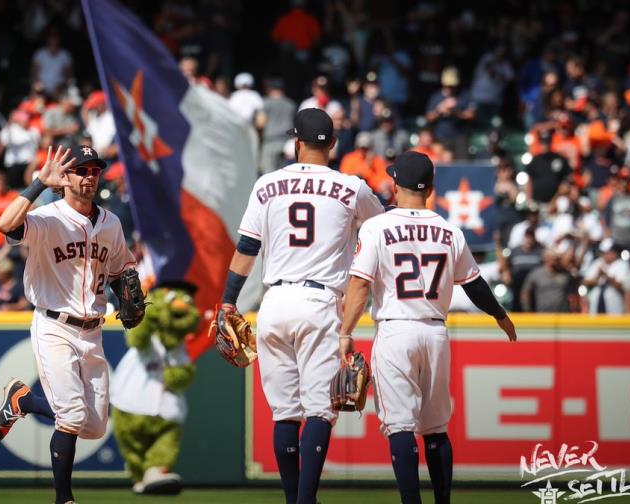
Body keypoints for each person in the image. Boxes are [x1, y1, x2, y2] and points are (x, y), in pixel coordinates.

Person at [218, 108, 383, 504]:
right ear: (333, 144)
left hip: (274, 302)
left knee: (285, 414)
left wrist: (227, 301)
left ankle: (294, 499)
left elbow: (247, 248)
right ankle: (306, 500)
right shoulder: (352, 187)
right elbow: (383, 231)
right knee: (320, 411)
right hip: (321, 302)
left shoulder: (267, 184)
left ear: (297, 143)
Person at [339, 151, 516, 504]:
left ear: (394, 185)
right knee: (436, 429)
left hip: (395, 329)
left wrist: (345, 333)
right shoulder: (450, 231)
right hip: (435, 332)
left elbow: (359, 285)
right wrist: (499, 314)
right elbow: (475, 284)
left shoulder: (377, 227)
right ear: (431, 189)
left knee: (400, 427)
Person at [0, 146, 142, 504]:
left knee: (94, 426)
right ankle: (64, 499)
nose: (89, 176)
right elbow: (5, 225)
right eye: (81, 170)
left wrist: (128, 292)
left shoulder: (111, 223)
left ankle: (23, 402)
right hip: (53, 325)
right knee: (71, 415)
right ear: (66, 178)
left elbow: (122, 270)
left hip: (93, 330)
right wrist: (39, 183)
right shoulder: (47, 218)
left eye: (94, 170)